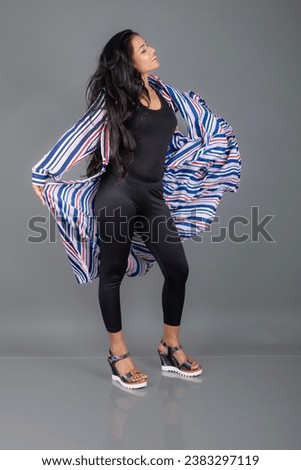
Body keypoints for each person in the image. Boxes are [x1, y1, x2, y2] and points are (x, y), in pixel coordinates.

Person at [32, 29, 206, 389]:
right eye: (144, 49)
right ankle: (117, 354)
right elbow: (76, 138)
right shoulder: (114, 101)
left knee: (178, 269)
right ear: (129, 61)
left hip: (152, 194)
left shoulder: (162, 92)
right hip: (118, 195)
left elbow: (166, 143)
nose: (152, 49)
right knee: (112, 274)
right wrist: (43, 180)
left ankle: (169, 346)